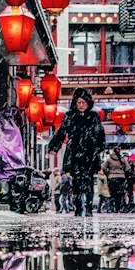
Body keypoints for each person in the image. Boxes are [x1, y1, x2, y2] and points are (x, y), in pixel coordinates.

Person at [47, 87, 105, 216]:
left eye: (83, 102)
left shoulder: (94, 116)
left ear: (88, 103)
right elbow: (61, 132)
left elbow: (101, 133)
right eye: (79, 102)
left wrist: (99, 147)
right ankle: (78, 208)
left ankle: (89, 208)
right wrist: (54, 147)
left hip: (90, 152)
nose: (81, 105)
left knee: (89, 181)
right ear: (75, 103)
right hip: (74, 152)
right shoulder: (70, 116)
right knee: (77, 183)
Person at [103, 146, 128, 211]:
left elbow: (103, 167)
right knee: (119, 194)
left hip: (112, 177)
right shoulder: (122, 159)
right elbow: (128, 168)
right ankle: (118, 207)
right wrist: (123, 172)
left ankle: (111, 207)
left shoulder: (109, 160)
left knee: (112, 193)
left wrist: (108, 173)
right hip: (121, 178)